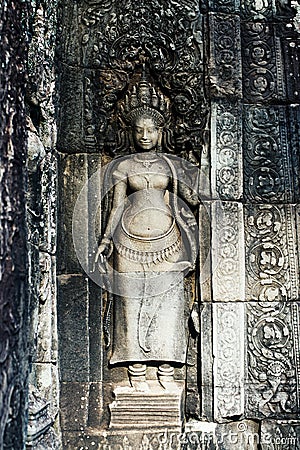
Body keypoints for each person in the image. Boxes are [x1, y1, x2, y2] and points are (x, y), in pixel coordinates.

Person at [95, 74, 199, 389]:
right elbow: (115, 207)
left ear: (159, 133)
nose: (144, 135)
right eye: (139, 130)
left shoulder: (169, 166)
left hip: (168, 242)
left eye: (150, 130)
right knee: (130, 303)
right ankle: (136, 371)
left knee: (169, 303)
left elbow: (189, 198)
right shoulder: (123, 167)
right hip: (128, 242)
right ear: (132, 133)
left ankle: (167, 369)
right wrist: (104, 239)